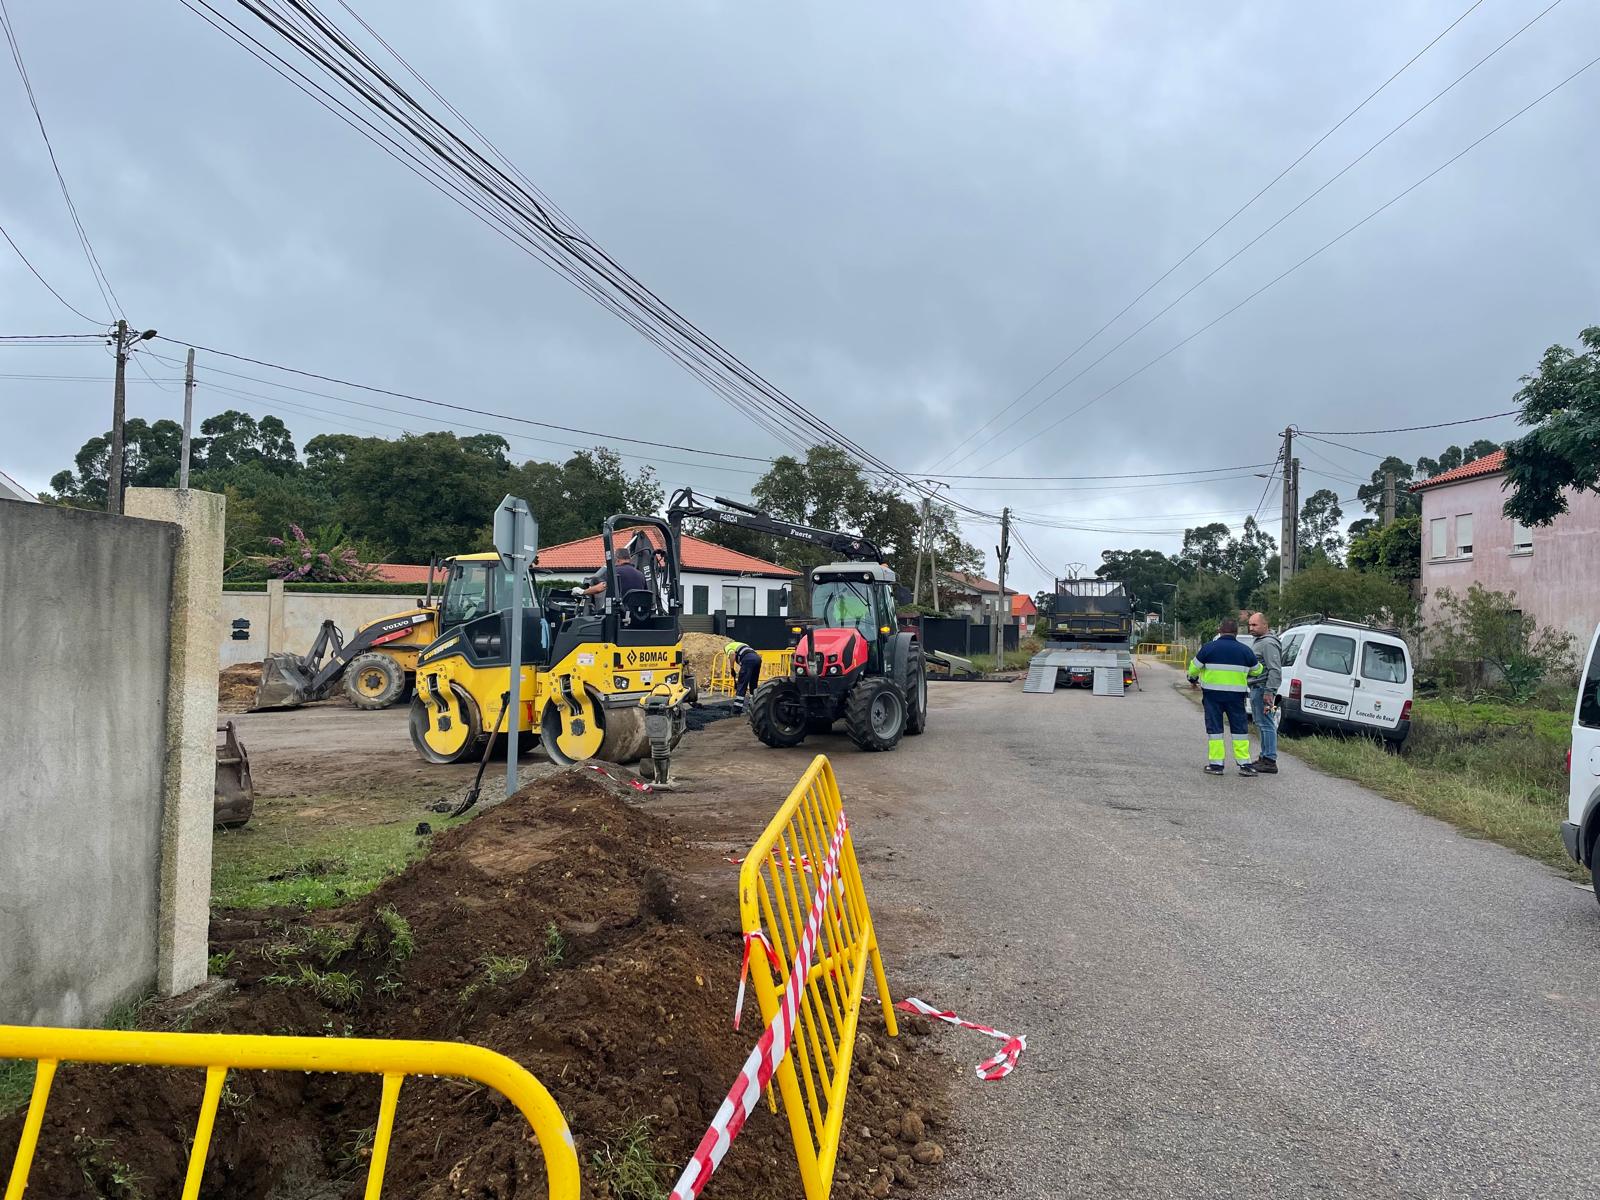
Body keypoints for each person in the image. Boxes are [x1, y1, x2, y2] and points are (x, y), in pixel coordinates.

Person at [1187, 617, 1264, 777]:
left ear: (1219, 631)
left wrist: (1193, 679)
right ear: (1236, 632)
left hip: (1212, 697)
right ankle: (1245, 764)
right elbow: (1257, 671)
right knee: (1240, 730)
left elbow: (1193, 670)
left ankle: (1216, 765)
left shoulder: (1209, 648)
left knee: (1215, 730)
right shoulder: (1245, 650)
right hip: (1236, 698)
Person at [1246, 611, 1283, 774]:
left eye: (1254, 625)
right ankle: (1264, 756)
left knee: (1266, 723)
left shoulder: (1268, 643)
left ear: (1265, 625)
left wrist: (1270, 691)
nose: (1251, 628)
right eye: (1249, 625)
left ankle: (1269, 759)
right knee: (1261, 723)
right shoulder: (1259, 641)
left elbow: (1275, 669)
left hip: (1263, 689)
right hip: (1257, 688)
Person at [574, 559, 650, 607]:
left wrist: (582, 592)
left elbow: (600, 587)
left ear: (618, 560)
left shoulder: (615, 571)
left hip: (620, 613)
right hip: (638, 615)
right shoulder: (641, 574)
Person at [725, 640, 763, 709]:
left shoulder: (727, 646)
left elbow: (732, 654)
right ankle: (753, 706)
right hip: (757, 659)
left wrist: (732, 668)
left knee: (742, 683)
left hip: (748, 660)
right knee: (753, 683)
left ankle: (737, 709)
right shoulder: (743, 644)